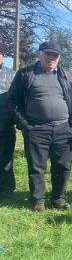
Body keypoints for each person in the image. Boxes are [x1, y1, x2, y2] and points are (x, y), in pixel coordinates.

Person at [9, 40, 72, 211]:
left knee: (63, 166)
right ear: (39, 54)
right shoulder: (26, 74)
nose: (52, 58)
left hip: (63, 129)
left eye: (55, 55)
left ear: (59, 58)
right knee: (36, 166)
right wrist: (25, 124)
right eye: (48, 54)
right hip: (36, 129)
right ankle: (38, 200)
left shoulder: (67, 75)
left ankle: (58, 199)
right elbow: (13, 100)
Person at [0, 48, 17, 200]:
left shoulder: (12, 75)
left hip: (5, 126)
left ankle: (6, 190)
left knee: (5, 159)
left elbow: (17, 100)